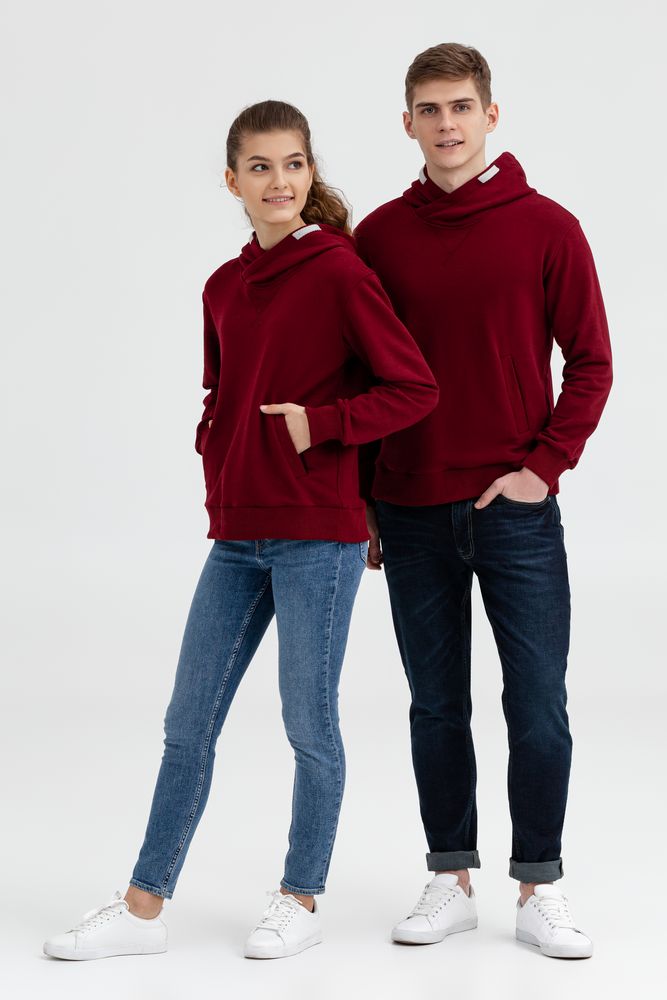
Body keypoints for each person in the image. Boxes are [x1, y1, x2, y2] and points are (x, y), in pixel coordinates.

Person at [43, 99, 438, 962]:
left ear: (310, 171)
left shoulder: (339, 271)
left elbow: (413, 388)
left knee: (309, 726)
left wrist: (319, 426)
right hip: (235, 538)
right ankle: (142, 908)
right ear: (233, 180)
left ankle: (301, 896)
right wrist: (217, 447)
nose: (278, 181)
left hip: (319, 536)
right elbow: (219, 391)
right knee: (187, 723)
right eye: (259, 167)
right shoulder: (222, 287)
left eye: (292, 164)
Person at [354, 43, 612, 960]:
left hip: (515, 513)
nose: (447, 123)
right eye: (429, 109)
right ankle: (449, 878)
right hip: (408, 507)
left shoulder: (548, 228)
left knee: (537, 703)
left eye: (461, 106)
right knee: (435, 705)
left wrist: (544, 466)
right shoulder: (378, 238)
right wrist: (364, 500)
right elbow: (355, 376)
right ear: (407, 122)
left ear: (490, 115)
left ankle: (539, 884)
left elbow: (591, 362)